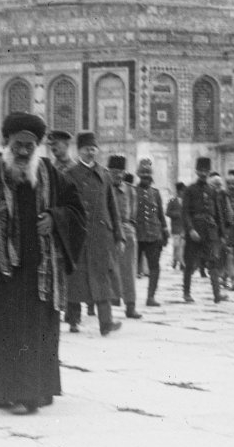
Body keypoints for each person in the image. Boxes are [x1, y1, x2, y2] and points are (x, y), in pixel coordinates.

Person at [0, 112, 85, 414]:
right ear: (7, 142)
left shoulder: (50, 173)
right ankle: (2, 391)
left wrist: (55, 218)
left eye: (30, 146)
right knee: (2, 331)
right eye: (19, 144)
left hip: (38, 272)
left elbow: (75, 209)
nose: (24, 151)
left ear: (37, 147)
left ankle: (28, 392)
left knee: (31, 333)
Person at [63, 131, 123, 335]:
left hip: (100, 236)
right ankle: (73, 319)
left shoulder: (104, 174)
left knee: (102, 278)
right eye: (87, 149)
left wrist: (119, 235)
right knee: (76, 278)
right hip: (78, 235)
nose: (91, 152)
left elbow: (112, 206)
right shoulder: (70, 174)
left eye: (93, 149)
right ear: (79, 150)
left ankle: (106, 323)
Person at [181, 158, 225, 303]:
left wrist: (222, 234)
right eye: (201, 171)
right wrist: (191, 230)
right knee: (190, 263)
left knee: (213, 262)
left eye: (206, 171)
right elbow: (185, 212)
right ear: (196, 171)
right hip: (195, 231)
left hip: (210, 232)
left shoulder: (212, 191)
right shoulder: (189, 190)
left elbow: (217, 213)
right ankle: (186, 293)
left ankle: (217, 294)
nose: (203, 173)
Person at [134, 159, 169, 311]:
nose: (146, 176)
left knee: (154, 267)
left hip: (153, 235)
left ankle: (151, 297)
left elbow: (160, 214)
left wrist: (165, 230)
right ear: (138, 175)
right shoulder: (132, 191)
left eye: (148, 173)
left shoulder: (156, 193)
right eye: (143, 173)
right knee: (131, 267)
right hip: (137, 235)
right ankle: (128, 298)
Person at [107, 156, 139, 318]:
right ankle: (101, 306)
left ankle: (130, 306)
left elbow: (133, 213)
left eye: (121, 172)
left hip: (127, 233)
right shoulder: (104, 188)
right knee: (107, 271)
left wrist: (130, 227)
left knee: (129, 271)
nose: (118, 175)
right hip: (108, 232)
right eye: (114, 172)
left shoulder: (130, 190)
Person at [165, 183, 184, 271]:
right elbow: (167, 212)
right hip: (176, 227)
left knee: (182, 245)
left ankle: (181, 262)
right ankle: (175, 260)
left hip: (183, 227)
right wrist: (176, 214)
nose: (182, 193)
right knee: (176, 245)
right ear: (178, 191)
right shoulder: (172, 201)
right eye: (181, 191)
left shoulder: (186, 201)